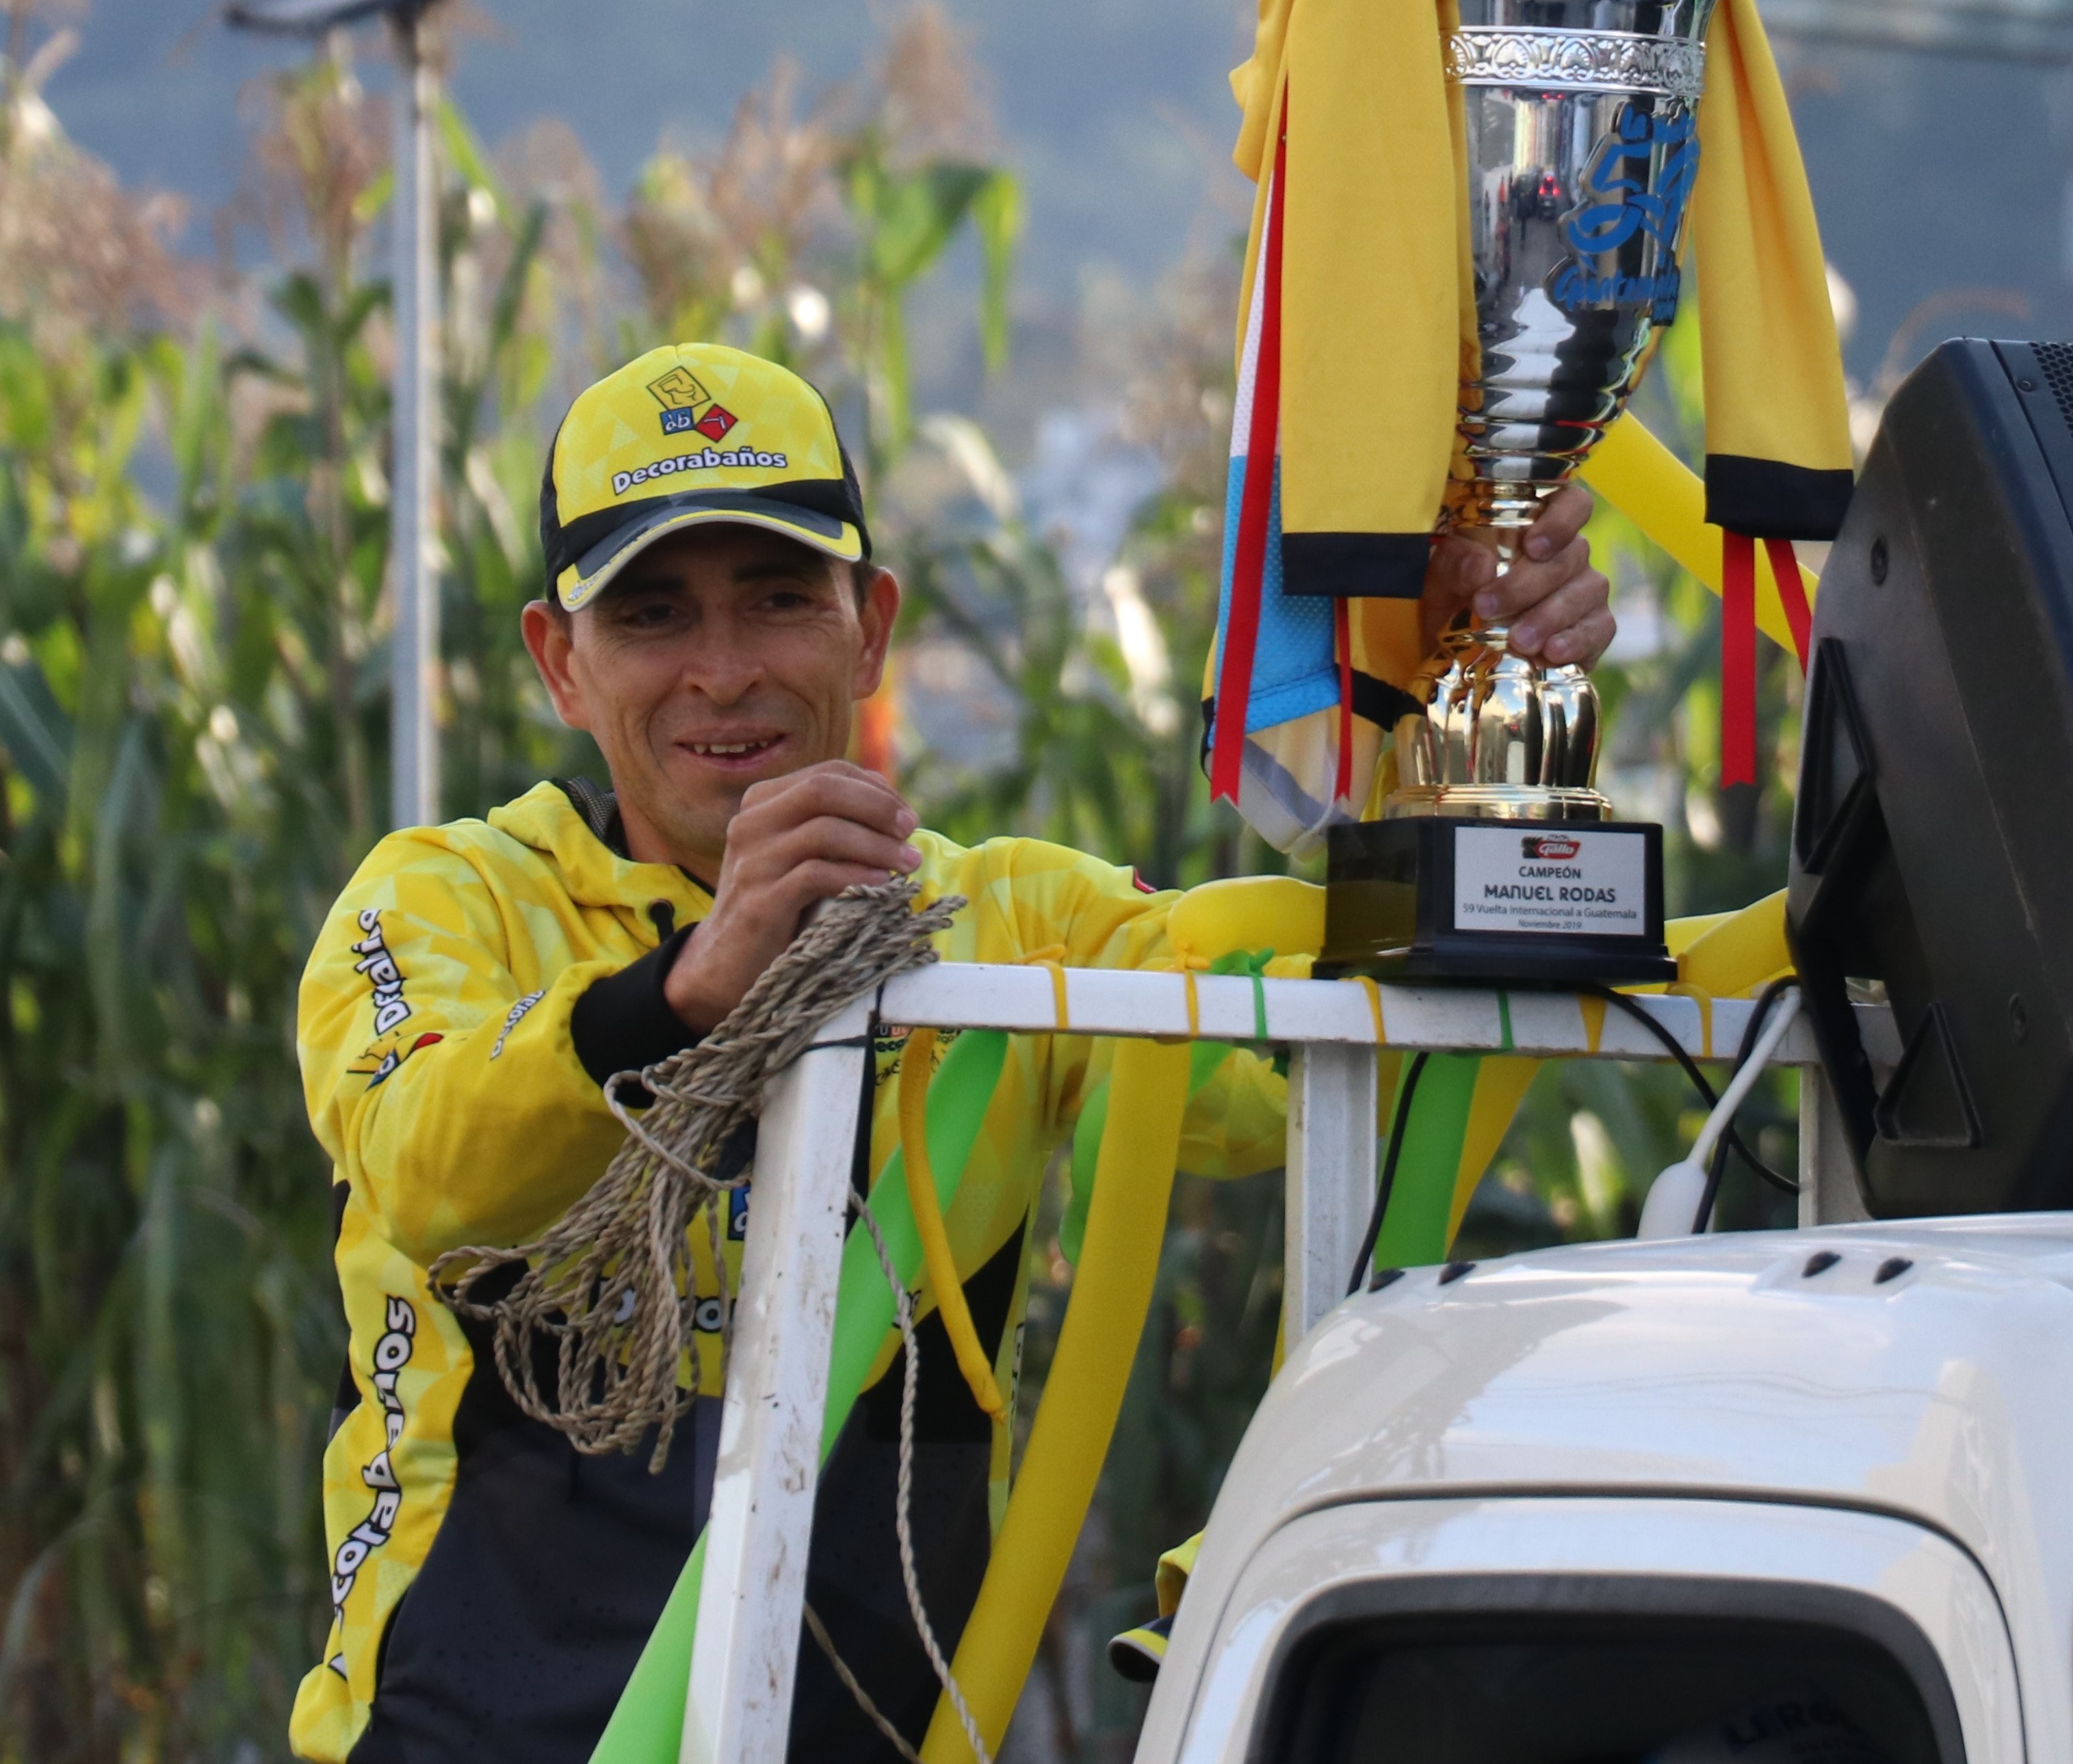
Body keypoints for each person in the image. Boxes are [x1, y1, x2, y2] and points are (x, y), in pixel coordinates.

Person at [288, 341, 1617, 1764]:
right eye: (654, 616)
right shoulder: (447, 897)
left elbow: (1310, 1066)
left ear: (871, 626)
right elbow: (426, 1161)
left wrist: (1456, 730)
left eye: (782, 601)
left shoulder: (1004, 923)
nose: (722, 673)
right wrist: (690, 987)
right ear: (562, 663)